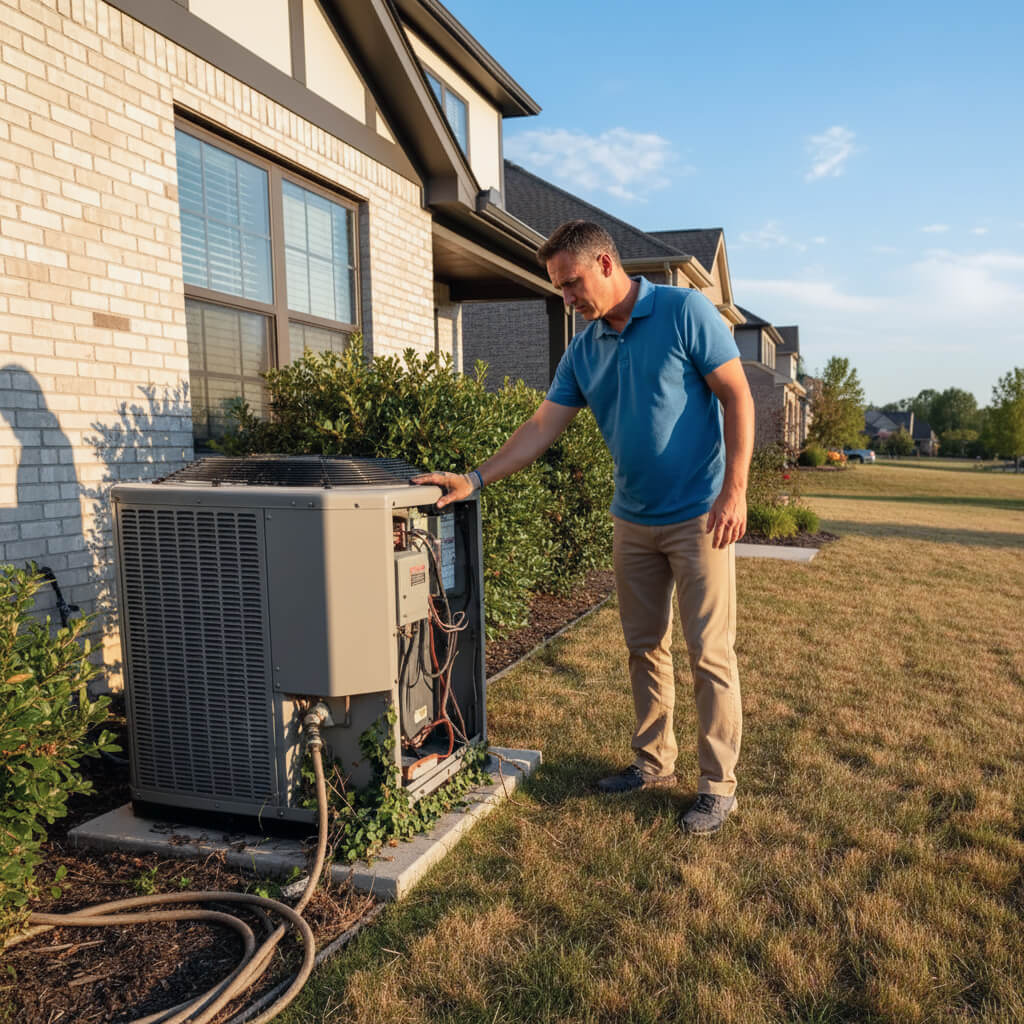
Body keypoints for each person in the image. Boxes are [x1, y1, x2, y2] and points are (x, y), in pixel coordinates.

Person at [414, 220, 754, 836]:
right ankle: (654, 763)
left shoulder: (684, 311)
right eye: (559, 288)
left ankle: (717, 785)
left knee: (709, 653)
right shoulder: (585, 348)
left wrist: (735, 490)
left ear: (604, 263)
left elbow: (736, 396)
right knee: (644, 648)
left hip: (700, 514)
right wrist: (475, 477)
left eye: (570, 284)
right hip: (633, 520)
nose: (565, 299)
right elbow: (542, 427)